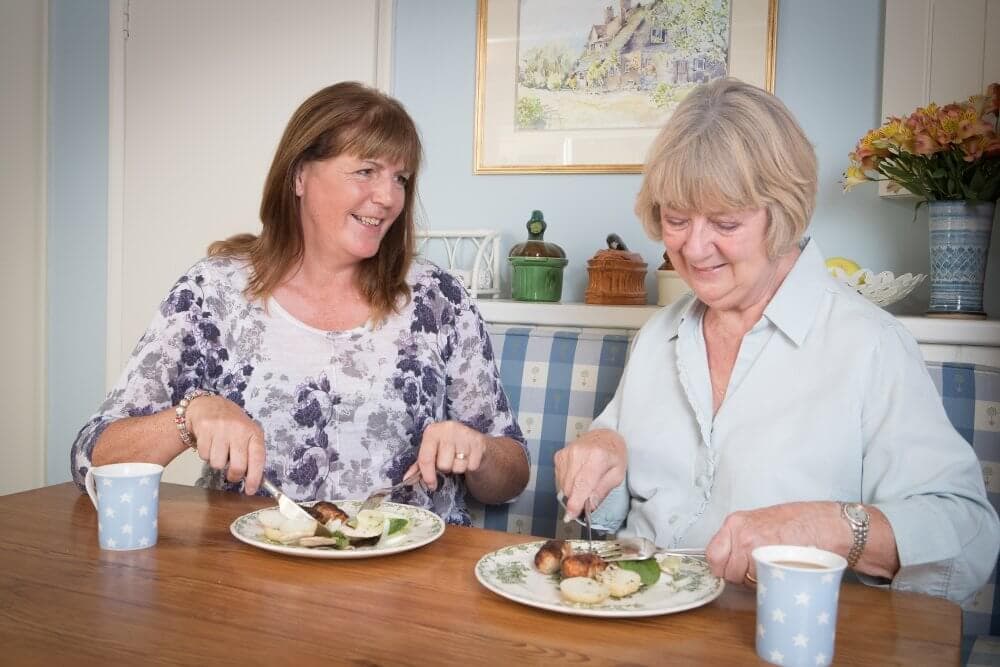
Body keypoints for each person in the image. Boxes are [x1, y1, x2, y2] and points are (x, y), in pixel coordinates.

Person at [554, 77, 998, 604]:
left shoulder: (869, 345)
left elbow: (969, 537)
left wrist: (831, 529)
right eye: (675, 220)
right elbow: (609, 506)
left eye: (724, 221)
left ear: (783, 213)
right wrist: (606, 451)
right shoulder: (659, 336)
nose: (693, 249)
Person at [70, 82, 529, 524]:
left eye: (401, 178)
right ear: (298, 176)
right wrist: (189, 417)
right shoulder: (212, 295)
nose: (389, 198)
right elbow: (91, 456)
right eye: (366, 171)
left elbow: (512, 476)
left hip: (413, 579)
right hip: (244, 578)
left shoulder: (437, 299)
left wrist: (480, 451)